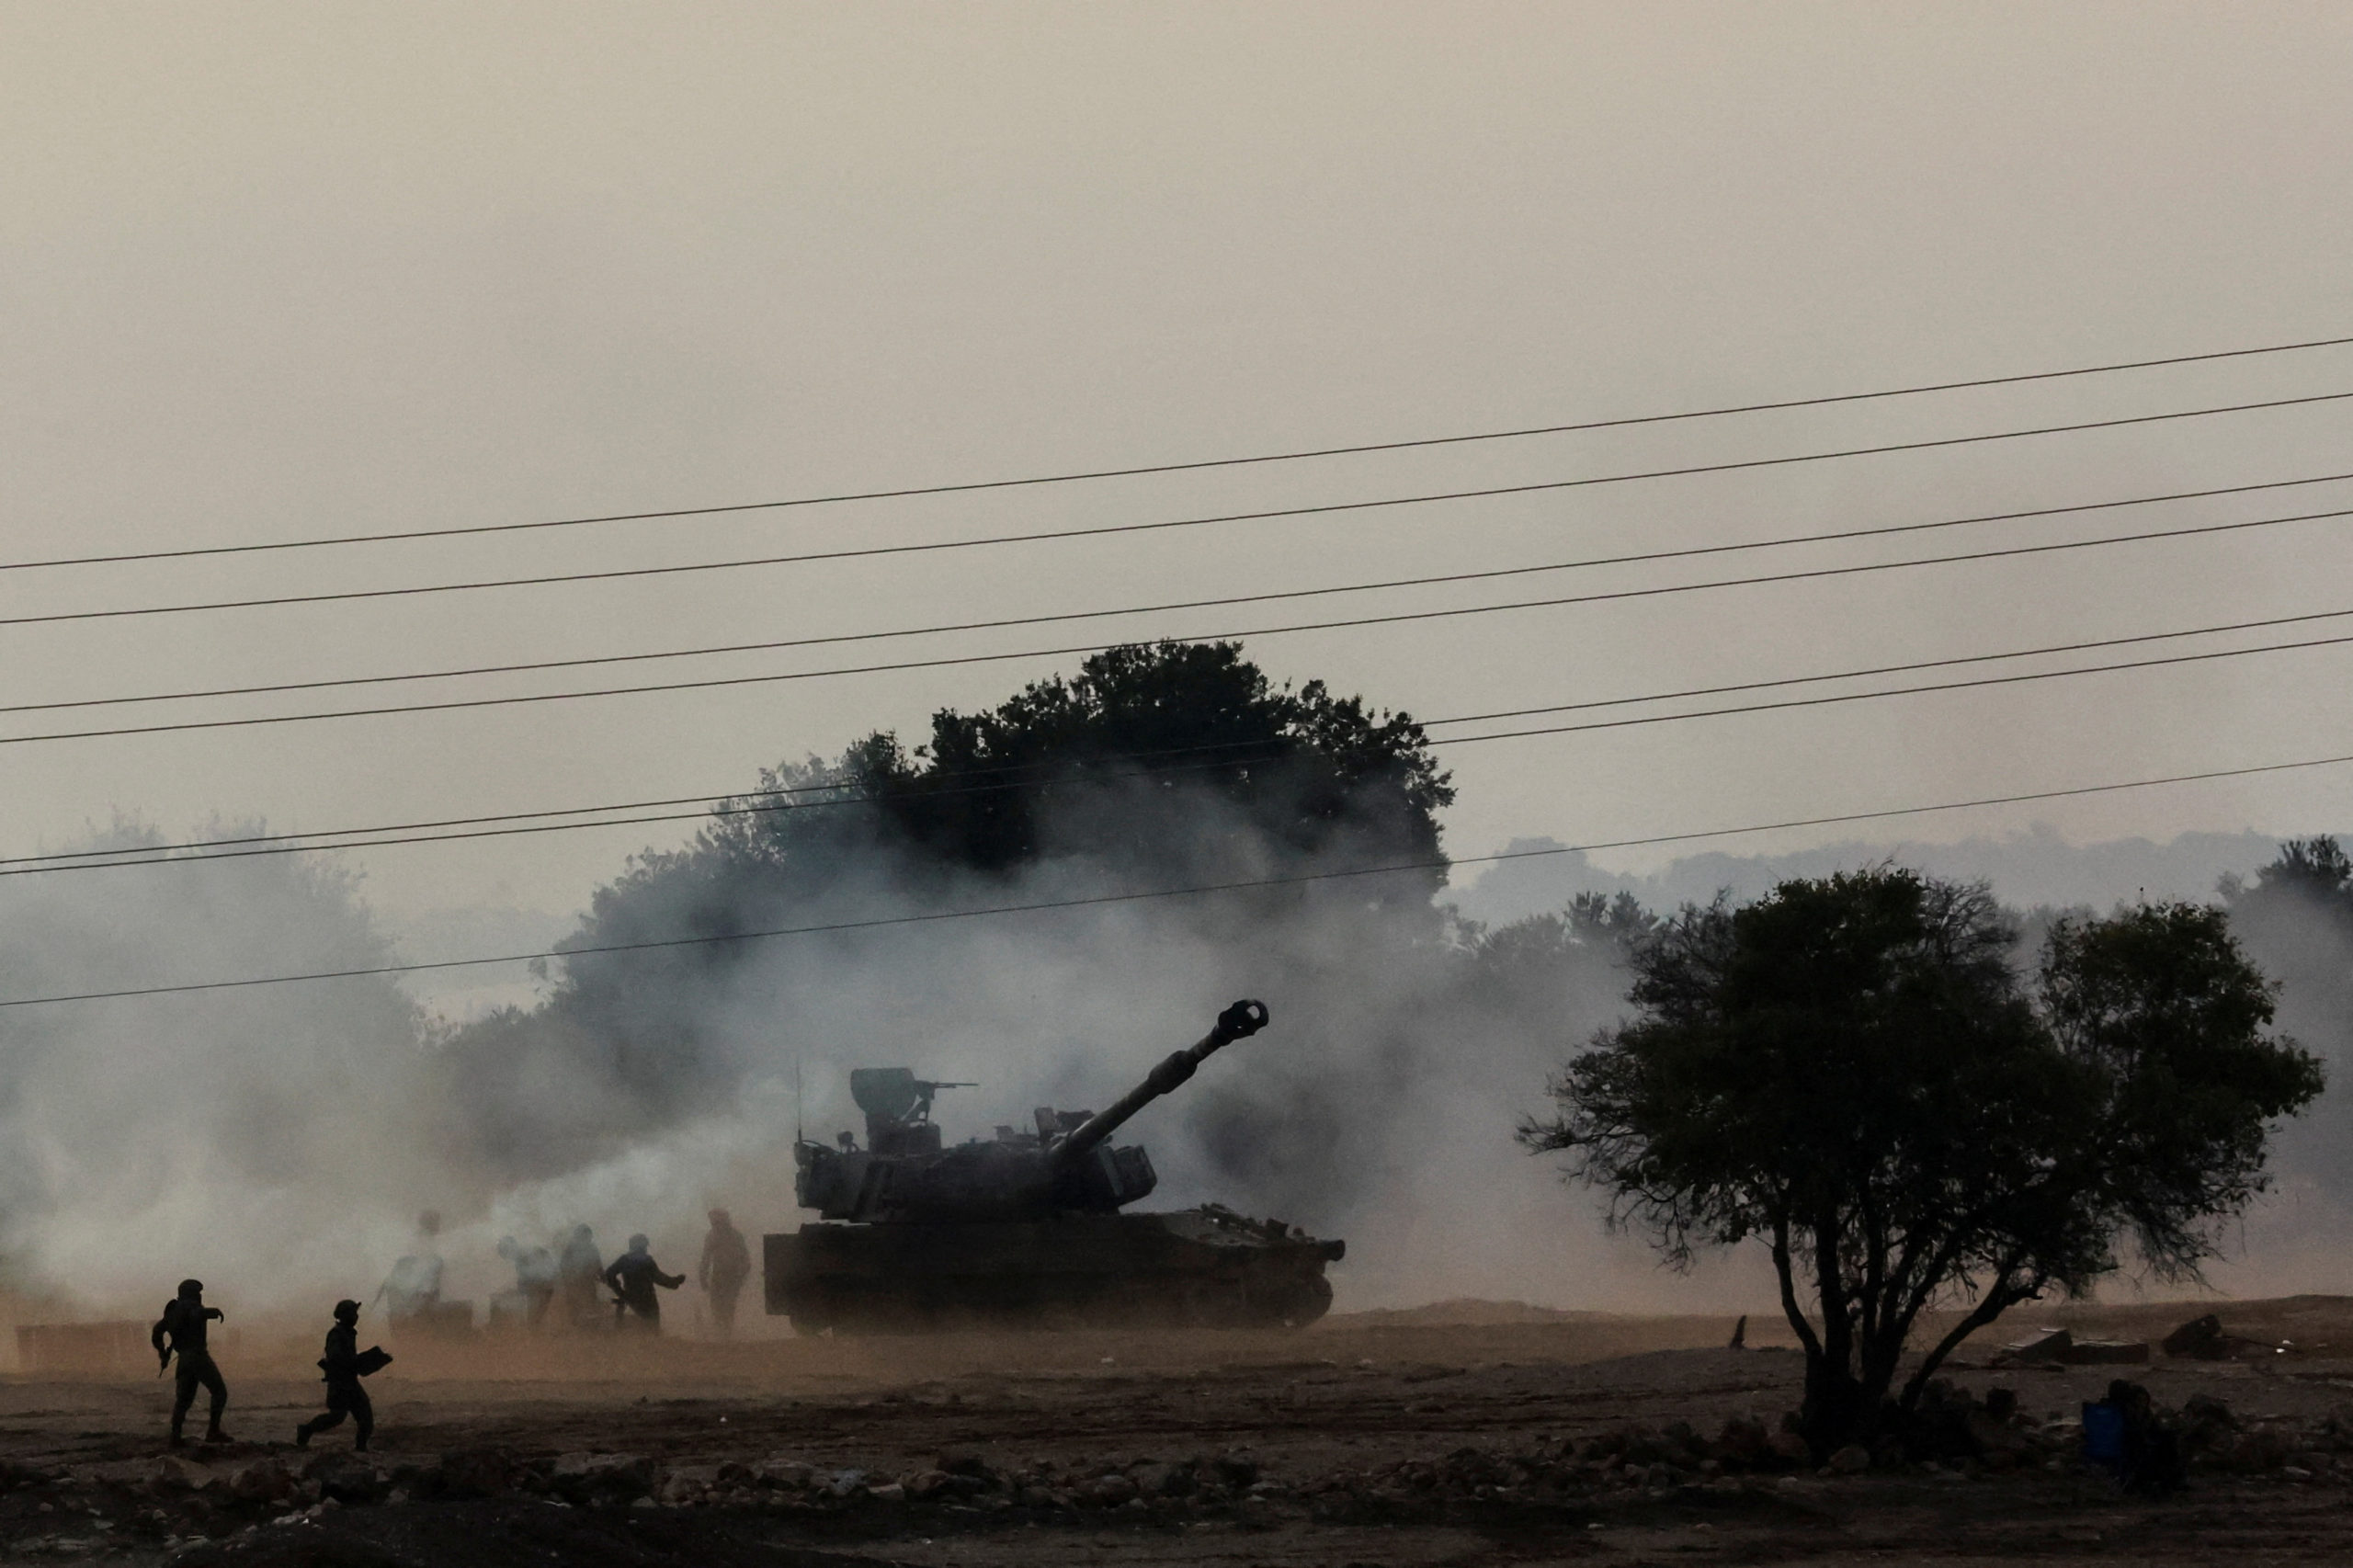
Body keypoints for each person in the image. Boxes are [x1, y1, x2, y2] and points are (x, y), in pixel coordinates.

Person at [294, 1300, 391, 1451]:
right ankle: (306, 1430)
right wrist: (358, 1361)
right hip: (339, 1383)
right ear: (344, 1315)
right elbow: (335, 1357)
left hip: (350, 1382)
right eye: (353, 1313)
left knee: (365, 1418)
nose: (356, 1316)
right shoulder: (337, 1334)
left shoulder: (346, 1333)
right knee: (337, 1417)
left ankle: (361, 1447)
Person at [151, 1279, 229, 1447]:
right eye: (197, 1292)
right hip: (198, 1356)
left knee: (184, 1400)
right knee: (219, 1392)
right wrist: (212, 1312)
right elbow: (196, 1315)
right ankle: (213, 1431)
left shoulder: (172, 1312)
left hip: (184, 1360)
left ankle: (175, 1435)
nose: (200, 1295)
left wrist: (163, 1354)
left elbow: (157, 1331)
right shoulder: (192, 1307)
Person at [601, 1233, 685, 1333]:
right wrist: (674, 1282)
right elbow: (659, 1278)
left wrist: (620, 1292)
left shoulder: (624, 1259)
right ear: (643, 1246)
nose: (645, 1249)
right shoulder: (647, 1261)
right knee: (652, 1330)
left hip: (630, 1298)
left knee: (625, 1331)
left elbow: (608, 1275)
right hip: (648, 1300)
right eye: (644, 1246)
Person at [698, 1209, 752, 1339]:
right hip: (719, 1276)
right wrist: (703, 1277)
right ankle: (721, 1331)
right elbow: (706, 1258)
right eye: (713, 1222)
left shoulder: (735, 1236)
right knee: (717, 1304)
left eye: (717, 1221)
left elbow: (745, 1257)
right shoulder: (712, 1236)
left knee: (728, 1304)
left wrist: (742, 1274)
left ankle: (726, 1332)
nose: (715, 1224)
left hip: (732, 1277)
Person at [496, 1235, 560, 1328]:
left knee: (535, 1321)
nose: (507, 1257)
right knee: (534, 1321)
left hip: (542, 1290)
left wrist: (517, 1290)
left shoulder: (525, 1256)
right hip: (542, 1290)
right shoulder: (523, 1255)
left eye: (505, 1253)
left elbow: (534, 1277)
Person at [557, 1224, 605, 1331]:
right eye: (585, 1235)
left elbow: (598, 1263)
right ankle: (578, 1326)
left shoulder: (592, 1248)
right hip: (575, 1282)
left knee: (589, 1302)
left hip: (586, 1281)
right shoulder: (571, 1248)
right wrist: (568, 1278)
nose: (587, 1237)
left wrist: (602, 1276)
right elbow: (563, 1265)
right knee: (576, 1303)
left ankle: (587, 1326)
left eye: (588, 1235)